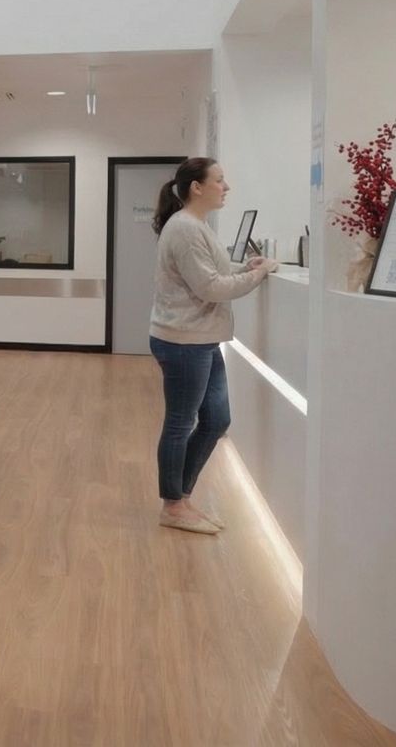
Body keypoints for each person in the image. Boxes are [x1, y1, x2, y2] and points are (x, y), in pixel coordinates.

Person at [149, 157, 281, 535]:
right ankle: (173, 504)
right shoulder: (187, 229)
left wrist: (244, 269)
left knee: (217, 419)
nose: (227, 187)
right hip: (184, 341)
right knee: (180, 422)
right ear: (197, 187)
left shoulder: (195, 227)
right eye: (220, 180)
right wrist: (258, 274)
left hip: (200, 338)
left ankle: (180, 496)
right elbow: (209, 288)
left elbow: (212, 276)